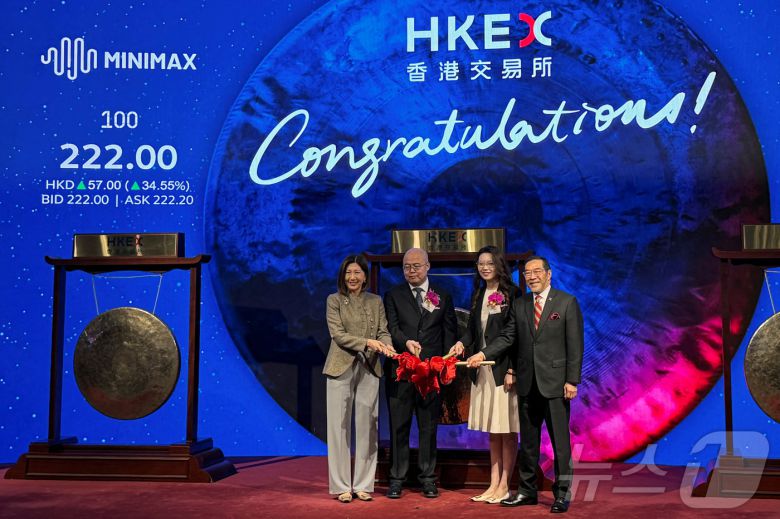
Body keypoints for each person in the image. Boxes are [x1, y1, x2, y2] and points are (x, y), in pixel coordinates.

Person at [467, 255, 584, 514]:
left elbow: (575, 345)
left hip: (556, 384)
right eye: (527, 273)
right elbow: (508, 337)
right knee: (528, 443)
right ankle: (527, 491)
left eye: (536, 271)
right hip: (527, 382)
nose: (532, 277)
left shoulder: (566, 302)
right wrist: (483, 354)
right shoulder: (520, 304)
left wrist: (572, 380)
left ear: (548, 274)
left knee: (560, 443)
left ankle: (562, 494)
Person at [383, 247, 457, 499]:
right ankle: (397, 479)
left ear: (428, 267)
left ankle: (428, 478)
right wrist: (405, 343)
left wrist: (445, 364)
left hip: (430, 374)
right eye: (406, 267)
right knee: (399, 427)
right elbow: (392, 328)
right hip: (401, 373)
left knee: (428, 428)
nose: (411, 271)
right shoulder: (393, 295)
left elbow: (449, 332)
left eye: (416, 266)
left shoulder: (443, 295)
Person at [449, 246, 519, 504]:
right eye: (481, 263)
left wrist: (510, 368)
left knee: (507, 430)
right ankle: (493, 484)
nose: (485, 267)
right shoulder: (479, 293)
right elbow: (473, 330)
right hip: (482, 370)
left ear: (499, 264)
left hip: (503, 371)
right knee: (493, 429)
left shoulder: (512, 293)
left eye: (490, 262)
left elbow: (512, 335)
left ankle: (505, 486)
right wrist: (462, 343)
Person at [324, 254, 395, 503]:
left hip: (370, 367)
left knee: (368, 427)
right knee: (338, 427)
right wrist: (368, 342)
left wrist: (387, 345)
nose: (352, 277)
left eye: (357, 272)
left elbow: (383, 331)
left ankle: (364, 484)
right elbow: (338, 335)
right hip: (339, 367)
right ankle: (341, 486)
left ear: (365, 276)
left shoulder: (375, 301)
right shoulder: (334, 300)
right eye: (348, 273)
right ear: (342, 276)